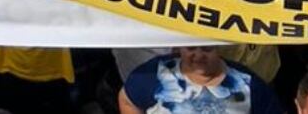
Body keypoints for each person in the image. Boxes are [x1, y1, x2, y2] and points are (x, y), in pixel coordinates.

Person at [119, 46, 281, 113]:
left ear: (219, 47)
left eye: (207, 49)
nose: (198, 55)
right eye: (190, 48)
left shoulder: (248, 84)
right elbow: (127, 100)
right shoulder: (157, 73)